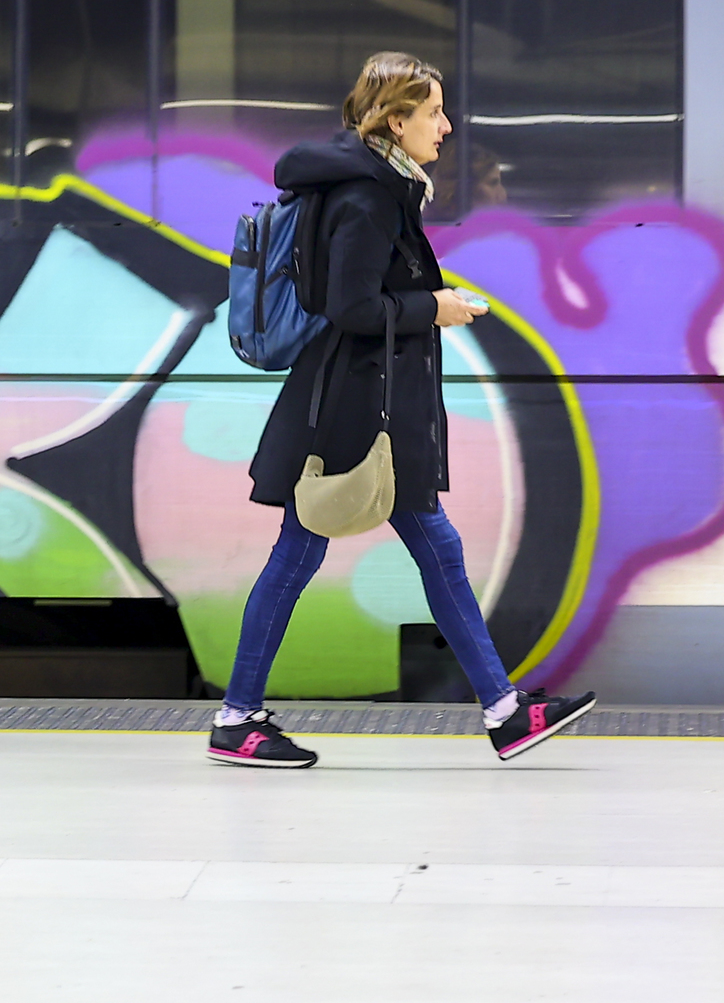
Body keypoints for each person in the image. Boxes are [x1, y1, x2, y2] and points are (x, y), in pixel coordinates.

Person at [208, 53, 596, 769]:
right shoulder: (368, 196)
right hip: (359, 407)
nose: (446, 128)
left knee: (404, 553)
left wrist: (426, 310)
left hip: (369, 397)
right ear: (396, 120)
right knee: (312, 555)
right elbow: (349, 304)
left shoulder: (377, 185)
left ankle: (502, 712)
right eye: (434, 113)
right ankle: (238, 718)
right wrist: (436, 308)